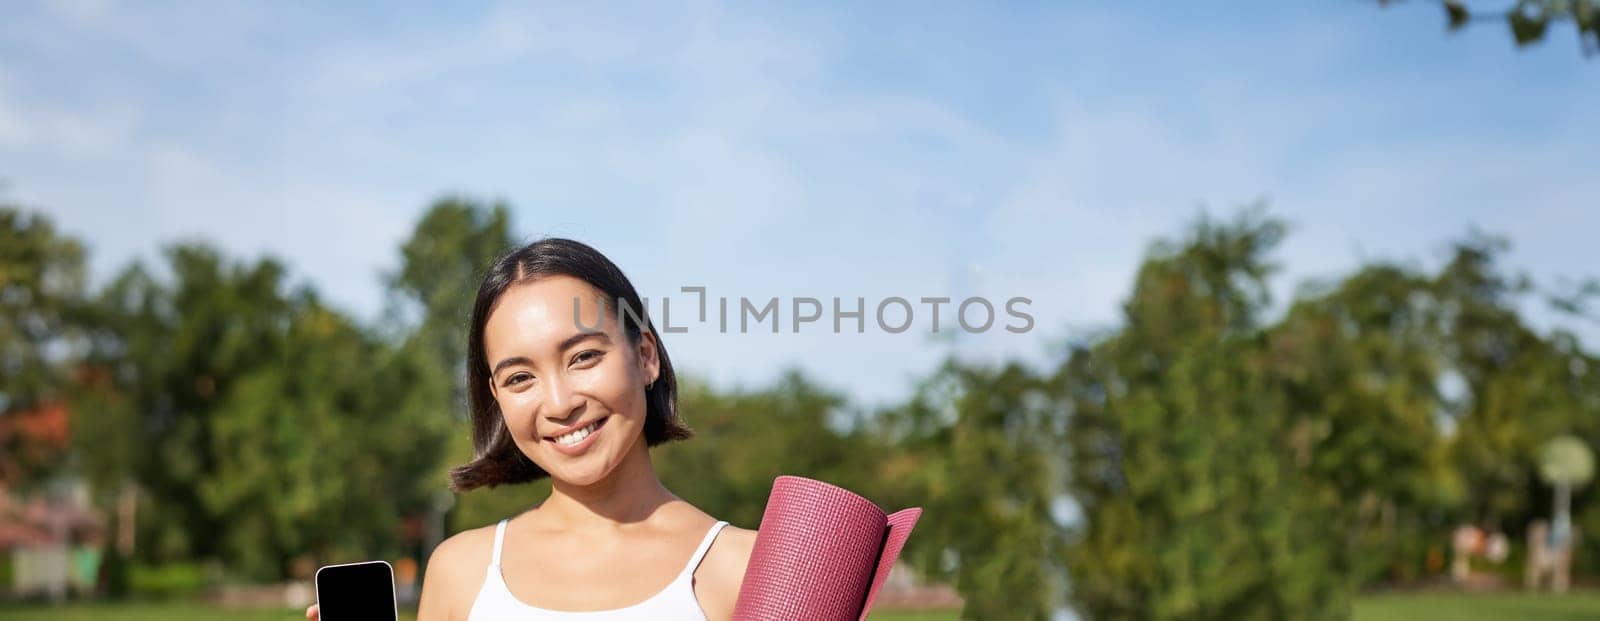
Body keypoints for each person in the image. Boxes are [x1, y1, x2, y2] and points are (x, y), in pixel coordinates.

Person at [308, 238, 756, 620]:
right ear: (497, 398)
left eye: (583, 357)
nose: (560, 404)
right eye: (520, 377)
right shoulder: (460, 572)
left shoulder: (747, 569)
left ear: (644, 356)